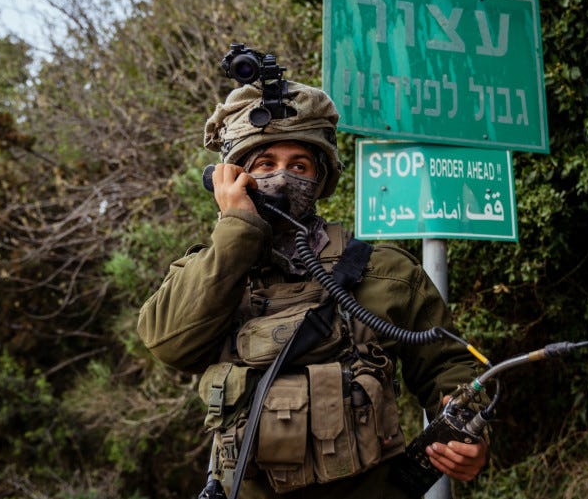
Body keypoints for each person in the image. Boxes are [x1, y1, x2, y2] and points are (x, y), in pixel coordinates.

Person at [137, 76, 488, 498]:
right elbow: (168, 344)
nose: (283, 178)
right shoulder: (212, 272)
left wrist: (469, 434)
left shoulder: (386, 271)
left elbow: (448, 367)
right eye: (265, 164)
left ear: (320, 179)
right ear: (236, 179)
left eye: (299, 165)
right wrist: (236, 232)